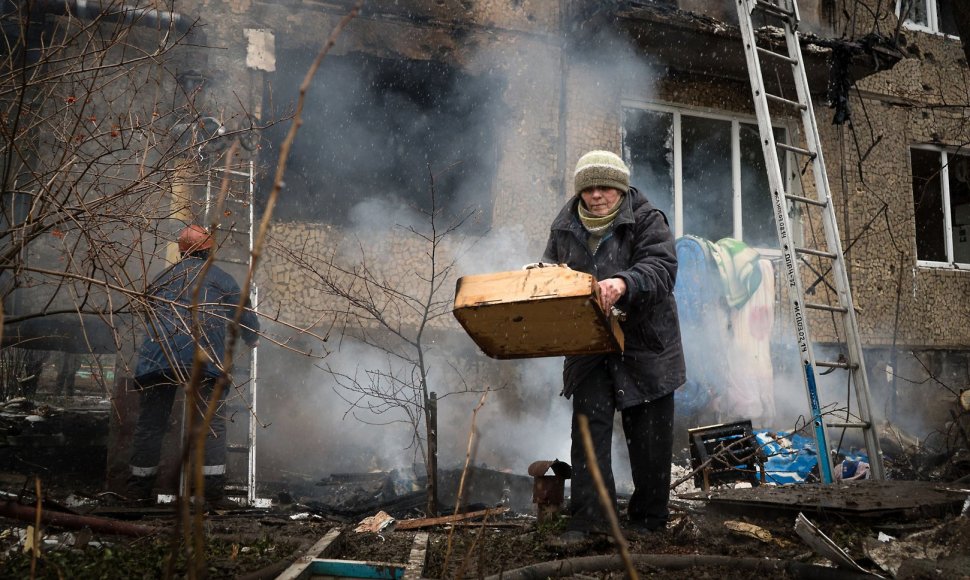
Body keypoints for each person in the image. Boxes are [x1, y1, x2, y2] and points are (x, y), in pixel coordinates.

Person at [541, 150, 686, 544]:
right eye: (588, 188)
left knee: (650, 440)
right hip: (589, 346)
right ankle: (590, 520)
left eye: (604, 187)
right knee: (588, 434)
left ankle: (649, 521)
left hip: (646, 346)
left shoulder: (646, 219)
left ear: (620, 188)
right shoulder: (564, 227)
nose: (596, 195)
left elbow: (661, 268)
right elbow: (550, 275)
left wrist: (622, 283)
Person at [127, 224, 259, 503]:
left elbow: (148, 315)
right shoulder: (221, 280)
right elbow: (243, 313)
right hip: (204, 361)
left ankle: (138, 492)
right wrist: (253, 337)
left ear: (182, 250)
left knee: (151, 424)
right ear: (209, 250)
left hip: (157, 360)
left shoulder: (161, 279)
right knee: (210, 423)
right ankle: (210, 494)